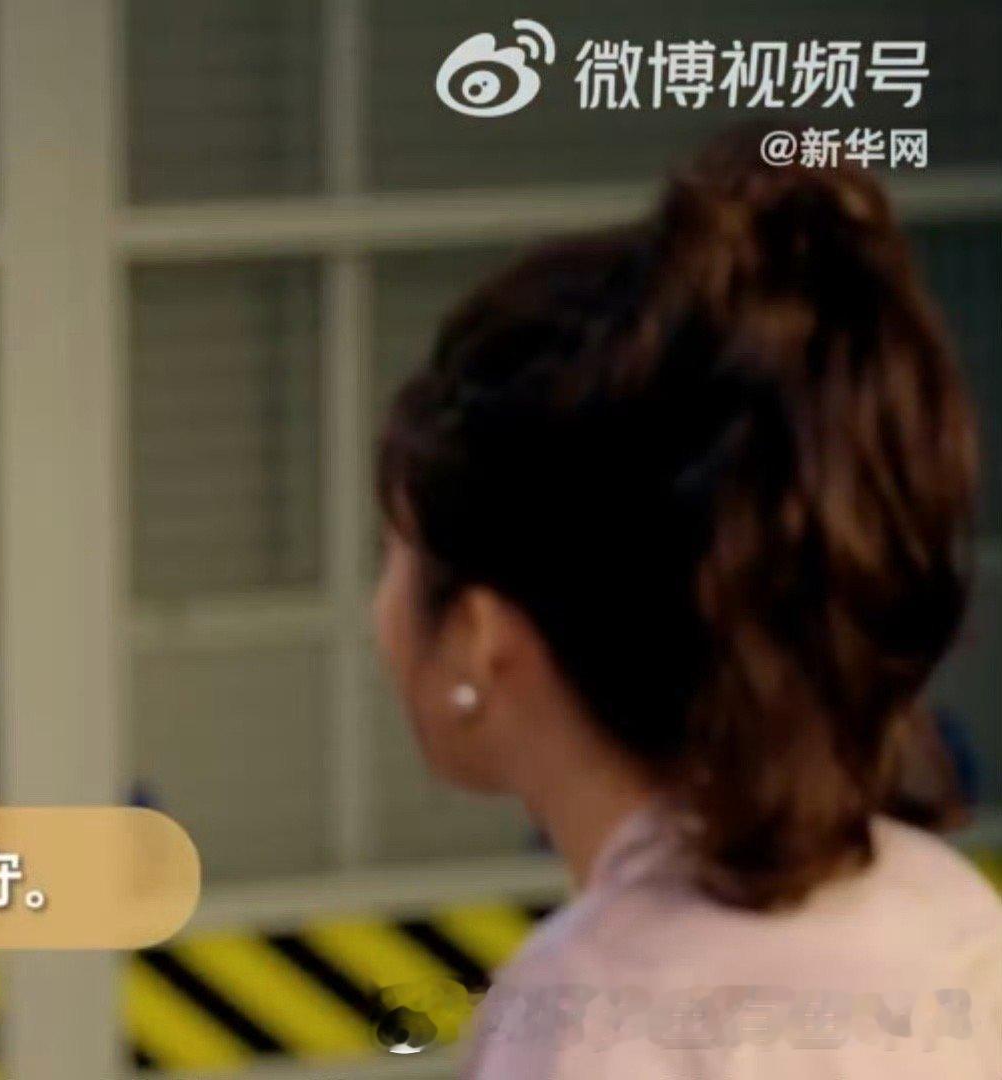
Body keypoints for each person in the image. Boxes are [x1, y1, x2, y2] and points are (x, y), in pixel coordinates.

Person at [371, 128, 1002, 1078]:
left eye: (391, 554)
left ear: (480, 639)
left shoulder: (580, 1026)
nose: (381, 610)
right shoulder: (955, 922)